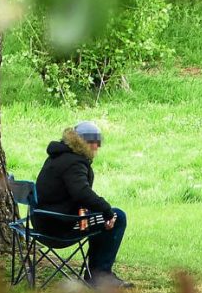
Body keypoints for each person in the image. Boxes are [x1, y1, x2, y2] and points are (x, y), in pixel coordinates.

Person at [32, 121, 133, 288]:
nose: (97, 147)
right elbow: (81, 193)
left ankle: (96, 273)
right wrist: (107, 211)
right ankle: (100, 275)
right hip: (59, 227)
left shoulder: (57, 156)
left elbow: (73, 194)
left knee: (98, 217)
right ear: (84, 143)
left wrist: (99, 210)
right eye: (96, 143)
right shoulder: (74, 162)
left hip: (43, 222)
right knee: (118, 216)